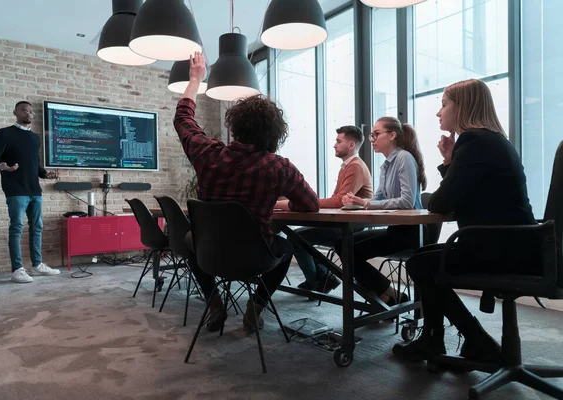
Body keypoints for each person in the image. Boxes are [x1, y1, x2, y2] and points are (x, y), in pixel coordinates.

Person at [392, 79, 536, 370]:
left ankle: (473, 339)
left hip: (503, 249)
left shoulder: (475, 141)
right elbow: (461, 196)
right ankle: (446, 339)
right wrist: (449, 161)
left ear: (464, 107)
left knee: (421, 264)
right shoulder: (492, 140)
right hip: (521, 244)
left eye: (444, 104)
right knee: (423, 260)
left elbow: (442, 202)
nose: (438, 113)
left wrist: (450, 164)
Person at [174, 52, 319, 332]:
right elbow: (310, 205)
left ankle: (214, 302)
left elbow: (182, 118)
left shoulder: (207, 154)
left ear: (234, 127)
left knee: (192, 239)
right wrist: (281, 202)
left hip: (211, 254)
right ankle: (256, 305)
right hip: (256, 258)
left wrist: (195, 80)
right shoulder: (280, 167)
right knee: (286, 247)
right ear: (275, 135)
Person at [336, 117, 427, 305]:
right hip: (395, 229)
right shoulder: (386, 163)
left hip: (411, 233)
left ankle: (385, 295)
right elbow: (378, 198)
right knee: (342, 244)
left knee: (349, 250)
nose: (372, 139)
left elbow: (407, 202)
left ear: (392, 135)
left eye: (376, 134)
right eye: (371, 135)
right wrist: (357, 201)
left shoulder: (403, 157)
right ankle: (387, 295)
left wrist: (366, 204)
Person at [275, 125, 372, 293]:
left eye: (338, 141)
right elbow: (338, 198)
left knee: (297, 238)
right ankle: (322, 278)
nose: (334, 145)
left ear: (351, 145)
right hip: (344, 221)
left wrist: (309, 202)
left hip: (352, 224)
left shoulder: (355, 166)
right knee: (297, 237)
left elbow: (338, 202)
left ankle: (320, 278)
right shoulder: (347, 166)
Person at [0, 101, 60, 283]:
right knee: (16, 228)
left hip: (35, 190)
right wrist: (2, 166)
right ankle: (17, 269)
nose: (29, 114)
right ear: (15, 112)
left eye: (31, 112)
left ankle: (37, 265)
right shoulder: (5, 134)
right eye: (24, 111)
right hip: (16, 190)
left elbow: (35, 164)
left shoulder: (35, 138)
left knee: (37, 228)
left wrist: (45, 174)